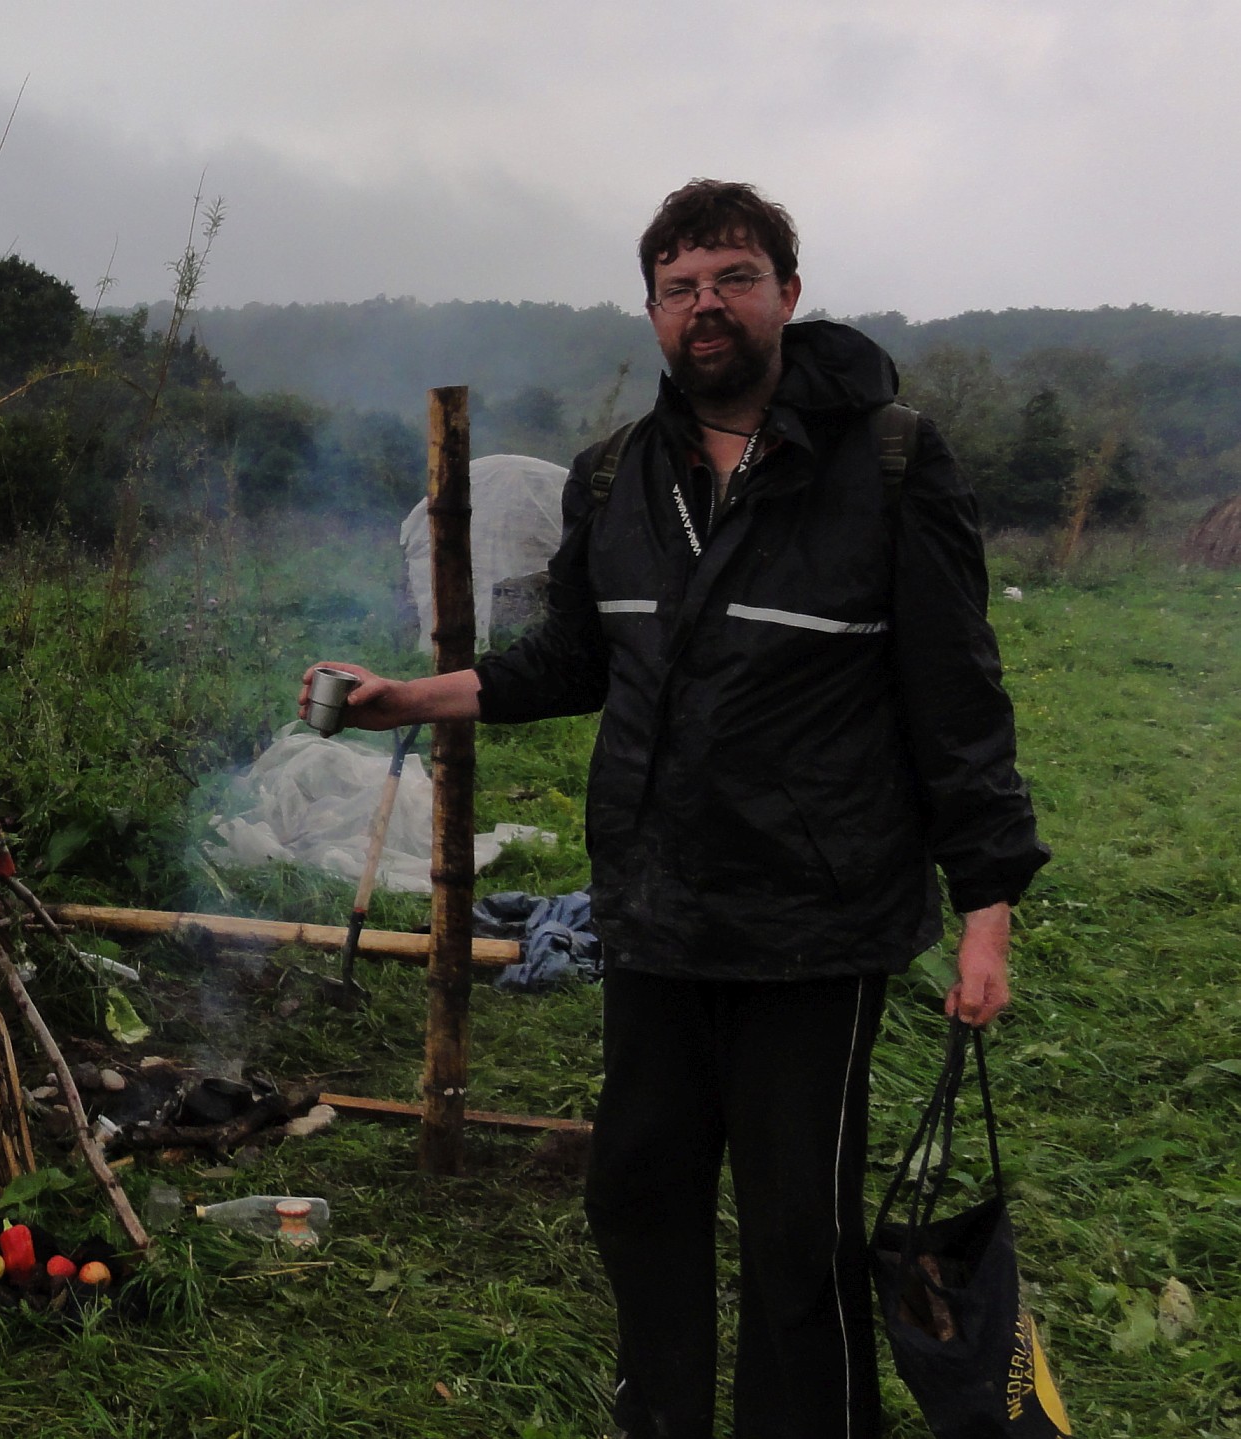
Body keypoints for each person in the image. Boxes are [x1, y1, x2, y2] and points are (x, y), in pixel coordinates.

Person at [304, 179, 1046, 1439]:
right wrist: (402, 698)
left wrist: (987, 908)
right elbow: (572, 659)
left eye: (733, 278)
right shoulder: (616, 477)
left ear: (787, 294)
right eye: (679, 286)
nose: (706, 305)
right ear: (651, 311)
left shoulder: (888, 462)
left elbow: (956, 694)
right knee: (637, 1191)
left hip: (813, 921)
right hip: (654, 908)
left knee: (794, 1230)